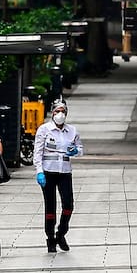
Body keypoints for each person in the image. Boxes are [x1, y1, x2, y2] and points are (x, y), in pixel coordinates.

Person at [33, 98, 83, 253]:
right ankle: (50, 238)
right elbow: (38, 152)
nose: (60, 114)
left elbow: (80, 148)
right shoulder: (44, 130)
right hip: (48, 172)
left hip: (65, 172)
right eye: (57, 111)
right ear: (52, 113)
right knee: (50, 207)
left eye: (63, 112)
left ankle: (61, 233)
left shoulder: (72, 131)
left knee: (68, 205)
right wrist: (39, 171)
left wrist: (76, 151)